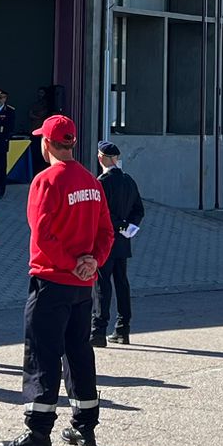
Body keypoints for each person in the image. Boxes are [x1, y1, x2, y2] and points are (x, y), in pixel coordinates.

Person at [0, 113, 114, 446]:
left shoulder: (46, 181)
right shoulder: (92, 182)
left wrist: (72, 264)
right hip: (83, 285)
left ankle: (38, 432)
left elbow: (43, 234)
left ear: (46, 143)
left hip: (51, 280)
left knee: (42, 353)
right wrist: (91, 262)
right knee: (78, 351)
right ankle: (84, 425)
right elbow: (107, 232)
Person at [91, 141, 146, 346]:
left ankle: (98, 330)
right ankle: (123, 328)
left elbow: (99, 214)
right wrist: (128, 227)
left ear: (101, 158)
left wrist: (119, 225)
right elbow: (139, 210)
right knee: (122, 283)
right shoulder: (128, 181)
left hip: (105, 242)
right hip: (123, 242)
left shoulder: (100, 183)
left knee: (101, 286)